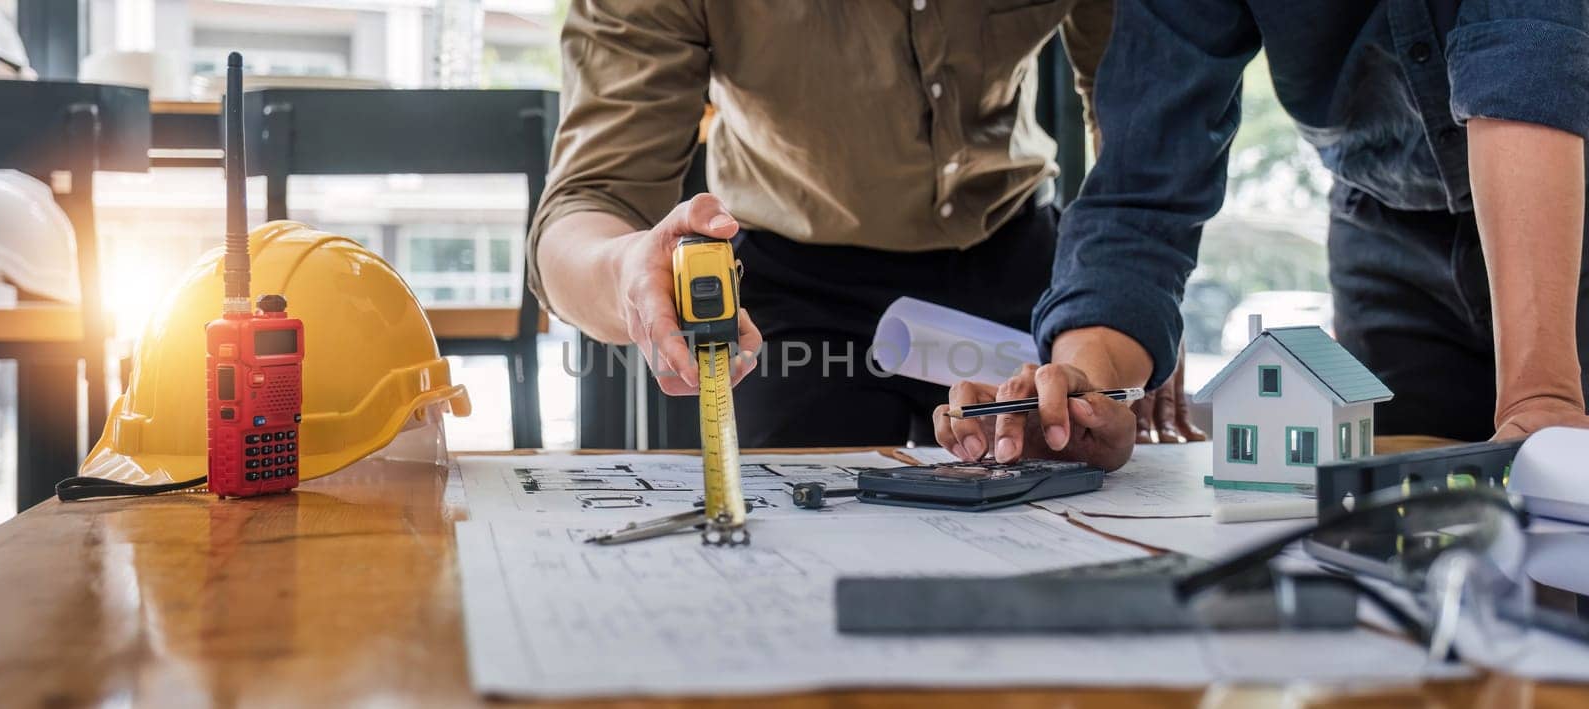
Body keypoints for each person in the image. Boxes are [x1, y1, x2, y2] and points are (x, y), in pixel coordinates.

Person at [938, 0, 1589, 467]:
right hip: (1384, 226)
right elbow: (1144, 179)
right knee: (1411, 555)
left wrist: (1543, 394)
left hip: (1566, 196)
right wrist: (1086, 384)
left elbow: (1524, 55)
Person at [529, 0, 1197, 448]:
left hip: (1019, 259)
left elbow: (1141, 116)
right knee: (792, 560)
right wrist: (626, 273)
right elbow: (585, 207)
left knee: (1070, 535)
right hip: (793, 294)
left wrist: (1125, 300)